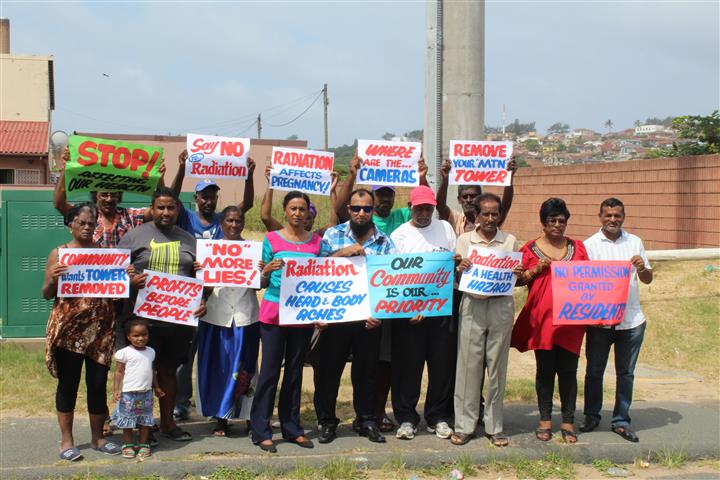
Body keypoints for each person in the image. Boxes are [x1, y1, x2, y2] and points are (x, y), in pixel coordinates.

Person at [333, 154, 429, 432]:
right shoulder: (351, 223)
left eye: (388, 194)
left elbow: (423, 203)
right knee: (343, 366)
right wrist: (352, 175)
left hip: (383, 307)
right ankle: (342, 418)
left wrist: (422, 177)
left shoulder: (400, 220)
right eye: (380, 194)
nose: (384, 198)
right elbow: (339, 210)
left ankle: (374, 415)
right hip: (347, 307)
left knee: (381, 363)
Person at [171, 150, 256, 421]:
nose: (208, 200)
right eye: (203, 196)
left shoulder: (223, 221)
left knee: (216, 354)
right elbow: (171, 197)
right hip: (187, 292)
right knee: (186, 353)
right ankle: (182, 402)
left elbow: (247, 204)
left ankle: (226, 407)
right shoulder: (186, 218)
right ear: (196, 198)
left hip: (215, 297)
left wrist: (249, 175)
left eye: (212, 196)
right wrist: (181, 168)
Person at [118, 186, 207, 443]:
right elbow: (114, 273)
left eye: (171, 207)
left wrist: (203, 299)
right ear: (152, 209)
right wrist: (130, 281)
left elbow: (200, 277)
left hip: (177, 321)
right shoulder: (134, 236)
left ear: (178, 210)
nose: (166, 212)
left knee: (168, 372)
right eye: (161, 207)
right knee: (141, 374)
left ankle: (168, 423)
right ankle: (141, 427)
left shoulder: (190, 240)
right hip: (142, 322)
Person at [42, 202, 123, 461]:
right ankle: (67, 441)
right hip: (70, 331)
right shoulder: (59, 254)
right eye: (82, 223)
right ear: (71, 225)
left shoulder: (107, 254)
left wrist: (127, 277)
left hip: (100, 330)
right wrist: (53, 278)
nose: (87, 227)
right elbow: (46, 294)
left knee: (97, 384)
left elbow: (118, 290)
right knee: (68, 384)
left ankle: (98, 438)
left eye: (91, 223)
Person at [250, 191, 328, 453]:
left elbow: (323, 279)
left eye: (302, 209)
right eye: (293, 208)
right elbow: (260, 282)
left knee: (294, 372)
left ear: (308, 213)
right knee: (269, 372)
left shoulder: (316, 243)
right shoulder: (271, 239)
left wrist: (321, 313)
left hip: (302, 316)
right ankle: (261, 430)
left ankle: (292, 428)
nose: (297, 213)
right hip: (274, 313)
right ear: (284, 210)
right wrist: (265, 271)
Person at [314, 188, 394, 444]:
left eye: (367, 209)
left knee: (367, 373)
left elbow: (391, 283)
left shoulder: (384, 242)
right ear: (348, 209)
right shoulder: (332, 235)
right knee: (328, 372)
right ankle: (327, 421)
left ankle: (366, 420)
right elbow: (316, 273)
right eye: (356, 208)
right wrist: (341, 254)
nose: (361, 213)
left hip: (368, 319)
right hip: (335, 317)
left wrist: (379, 314)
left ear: (373, 211)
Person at [511, 197, 588, 444]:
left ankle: (568, 420)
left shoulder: (578, 248)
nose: (557, 225)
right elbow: (517, 280)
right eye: (552, 220)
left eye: (561, 221)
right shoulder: (529, 249)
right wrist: (535, 271)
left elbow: (590, 280)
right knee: (545, 370)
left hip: (571, 323)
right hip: (542, 321)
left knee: (569, 371)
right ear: (543, 223)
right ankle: (544, 419)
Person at [451, 193, 522, 447]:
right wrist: (460, 268)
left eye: (495, 213)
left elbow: (516, 277)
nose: (490, 218)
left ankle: (495, 426)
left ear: (500, 215)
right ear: (477, 215)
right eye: (486, 214)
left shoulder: (510, 241)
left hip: (501, 306)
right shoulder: (464, 241)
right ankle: (464, 426)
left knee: (497, 367)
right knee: (468, 366)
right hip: (473, 304)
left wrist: (517, 272)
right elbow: (457, 278)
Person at [580, 198, 653, 443]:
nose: (613, 219)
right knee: (594, 371)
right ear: (600, 217)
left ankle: (621, 420)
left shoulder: (635, 242)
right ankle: (591, 416)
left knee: (626, 373)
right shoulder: (589, 245)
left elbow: (648, 279)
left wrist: (641, 267)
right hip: (599, 321)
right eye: (608, 215)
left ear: (623, 217)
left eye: (617, 215)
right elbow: (581, 283)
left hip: (631, 321)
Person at [389, 186, 458, 441]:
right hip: (409, 316)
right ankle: (406, 418)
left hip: (441, 312)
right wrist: (409, 309)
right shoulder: (399, 235)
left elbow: (453, 264)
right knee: (408, 368)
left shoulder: (445, 228)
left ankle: (437, 417)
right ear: (410, 207)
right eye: (419, 209)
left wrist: (458, 263)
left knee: (442, 367)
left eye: (428, 208)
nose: (424, 213)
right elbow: (393, 278)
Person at [195, 206, 261, 437]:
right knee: (219, 367)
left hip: (245, 316)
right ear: (221, 223)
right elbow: (202, 289)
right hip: (215, 316)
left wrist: (261, 271)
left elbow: (258, 285)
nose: (234, 225)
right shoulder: (209, 251)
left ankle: (250, 416)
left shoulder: (252, 250)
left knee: (247, 368)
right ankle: (220, 417)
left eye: (238, 221)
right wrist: (202, 275)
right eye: (230, 221)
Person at [53, 148, 166, 248]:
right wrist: (65, 169)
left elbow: (158, 209)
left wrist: (159, 179)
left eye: (113, 195)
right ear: (96, 195)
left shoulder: (129, 216)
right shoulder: (87, 216)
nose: (109, 199)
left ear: (119, 196)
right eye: (104, 195)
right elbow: (59, 204)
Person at [112, 318, 165, 459]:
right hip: (128, 394)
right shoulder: (124, 352)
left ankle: (144, 444)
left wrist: (157, 387)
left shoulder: (151, 351)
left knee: (145, 419)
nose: (140, 338)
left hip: (146, 393)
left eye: (144, 334)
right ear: (128, 337)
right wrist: (116, 390)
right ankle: (128, 445)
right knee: (128, 420)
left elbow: (152, 371)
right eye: (136, 335)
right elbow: (118, 372)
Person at [435, 158, 517, 236]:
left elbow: (505, 207)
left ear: (480, 198)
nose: (468, 200)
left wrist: (509, 178)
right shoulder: (456, 219)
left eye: (473, 196)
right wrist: (445, 179)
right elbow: (440, 206)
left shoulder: (489, 220)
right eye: (464, 197)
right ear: (459, 200)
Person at [260, 164, 338, 236]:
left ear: (313, 221)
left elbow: (333, 225)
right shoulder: (282, 235)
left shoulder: (315, 238)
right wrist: (271, 183)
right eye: (293, 209)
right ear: (285, 212)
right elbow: (265, 217)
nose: (298, 214)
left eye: (308, 218)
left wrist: (332, 191)